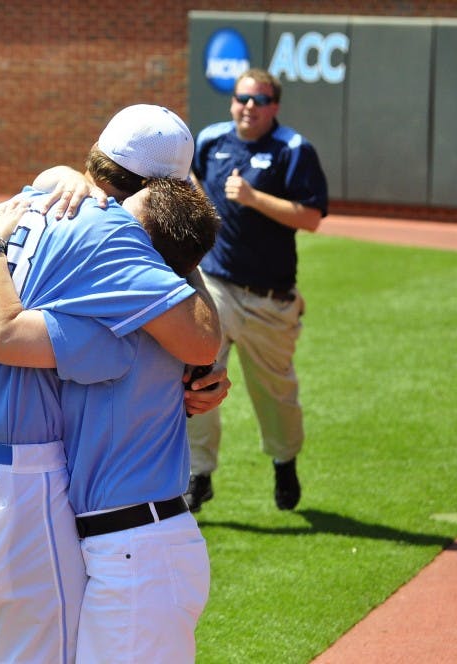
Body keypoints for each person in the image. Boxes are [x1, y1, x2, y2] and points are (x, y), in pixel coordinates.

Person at [0, 104, 222, 663]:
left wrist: (56, 172)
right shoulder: (109, 231)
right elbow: (199, 340)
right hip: (8, 491)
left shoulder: (16, 204)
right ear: (163, 193)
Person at [0, 173, 224, 662]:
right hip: (130, 545)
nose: (104, 224)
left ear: (142, 257)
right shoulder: (160, 325)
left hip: (139, 553)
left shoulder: (116, 333)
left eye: (122, 224)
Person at [185, 68, 328, 512]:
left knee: (276, 393)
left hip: (269, 297)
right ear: (232, 102)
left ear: (274, 107)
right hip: (216, 285)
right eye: (242, 97)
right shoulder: (210, 141)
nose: (249, 106)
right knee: (197, 376)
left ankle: (284, 461)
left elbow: (311, 217)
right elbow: (189, 181)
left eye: (260, 100)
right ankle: (198, 473)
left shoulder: (293, 149)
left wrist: (253, 198)